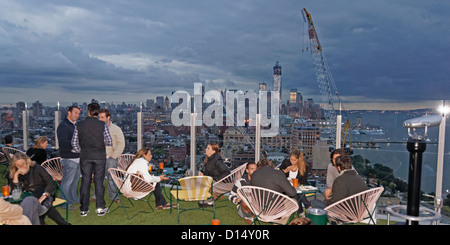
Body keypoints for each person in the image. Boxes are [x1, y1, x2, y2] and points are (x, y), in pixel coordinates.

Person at [72, 102, 112, 217]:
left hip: (85, 156)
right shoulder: (102, 125)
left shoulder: (79, 124)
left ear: (88, 112)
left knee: (85, 182)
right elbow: (109, 141)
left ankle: (83, 209)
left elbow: (74, 143)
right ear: (98, 112)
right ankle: (100, 208)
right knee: (99, 182)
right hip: (99, 156)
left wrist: (81, 150)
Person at [8, 152, 69, 225]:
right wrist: (16, 176)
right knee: (35, 206)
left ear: (27, 161)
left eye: (23, 164)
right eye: (18, 165)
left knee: (40, 205)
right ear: (15, 166)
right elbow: (15, 195)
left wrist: (43, 196)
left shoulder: (37, 168)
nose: (21, 167)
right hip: (27, 198)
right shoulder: (14, 174)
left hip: (44, 194)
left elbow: (50, 183)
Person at [250, 158, 297, 224]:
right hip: (273, 210)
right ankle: (279, 223)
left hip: (258, 209)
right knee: (294, 202)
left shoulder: (254, 175)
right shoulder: (278, 173)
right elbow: (292, 193)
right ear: (271, 165)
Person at [94, 109, 125, 204]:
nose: (100, 119)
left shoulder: (116, 129)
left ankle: (114, 196)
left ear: (108, 117)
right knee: (98, 178)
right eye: (99, 117)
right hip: (99, 157)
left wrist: (114, 156)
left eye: (103, 117)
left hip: (111, 157)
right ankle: (96, 196)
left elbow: (121, 143)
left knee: (112, 178)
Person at [57, 105, 81, 210]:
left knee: (75, 180)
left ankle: (73, 199)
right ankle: (64, 203)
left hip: (77, 157)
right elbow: (63, 142)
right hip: (69, 158)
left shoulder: (75, 125)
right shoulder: (63, 126)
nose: (77, 115)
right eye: (75, 112)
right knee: (67, 182)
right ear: (69, 112)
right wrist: (79, 143)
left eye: (78, 113)